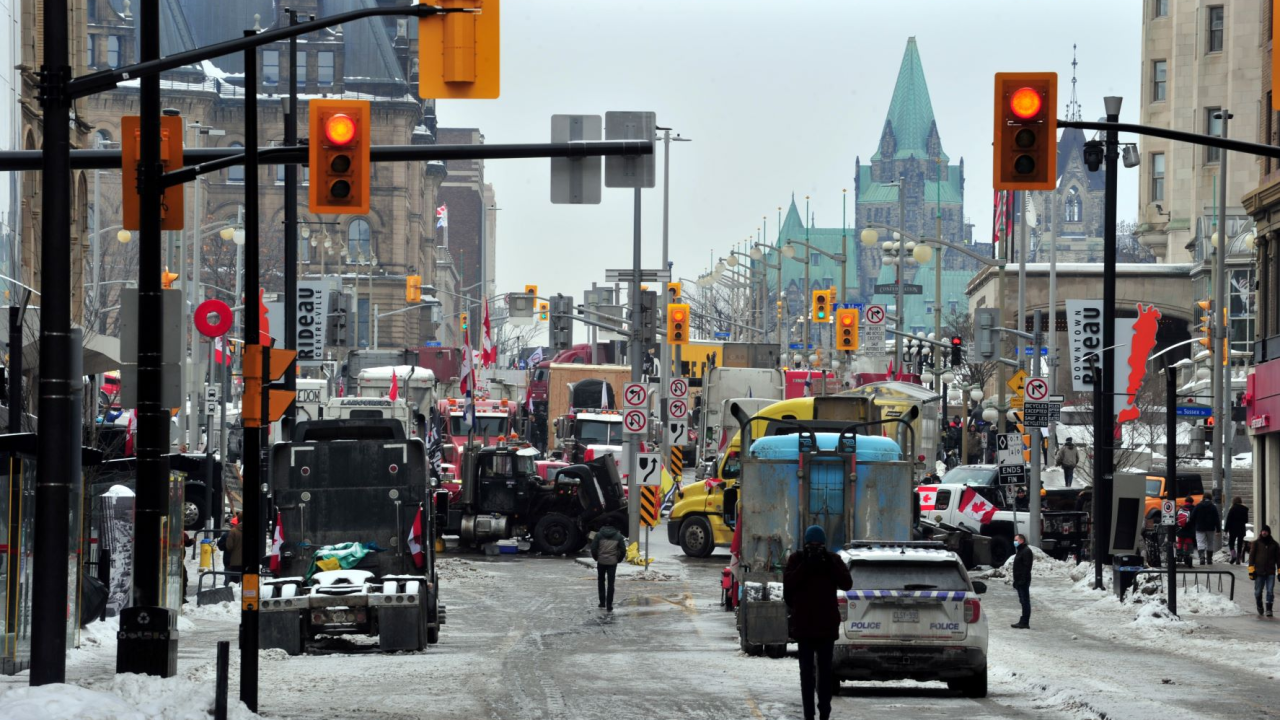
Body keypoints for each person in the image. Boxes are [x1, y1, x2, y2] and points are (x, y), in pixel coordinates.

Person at [783, 525, 853, 720]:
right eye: (811, 545)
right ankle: (809, 715)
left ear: (824, 545)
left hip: (826, 629)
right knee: (806, 675)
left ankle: (824, 714)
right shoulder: (797, 560)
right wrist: (807, 564)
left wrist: (827, 561)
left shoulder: (832, 560)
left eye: (818, 545)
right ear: (805, 545)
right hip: (805, 628)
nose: (814, 548)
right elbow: (787, 587)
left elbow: (847, 583)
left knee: (825, 675)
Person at [590, 524, 627, 612]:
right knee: (611, 584)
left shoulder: (598, 535)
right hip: (612, 562)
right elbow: (623, 550)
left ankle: (602, 602)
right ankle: (609, 605)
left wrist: (597, 558)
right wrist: (618, 559)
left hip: (601, 561)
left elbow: (593, 548)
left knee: (601, 581)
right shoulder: (618, 536)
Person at [1247, 525, 1278, 617]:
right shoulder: (1256, 543)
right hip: (1259, 572)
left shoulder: (1274, 545)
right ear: (1261, 532)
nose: (1264, 532)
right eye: (1263, 531)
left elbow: (1279, 559)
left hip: (1270, 572)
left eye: (1266, 531)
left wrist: (1279, 571)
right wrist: (1251, 570)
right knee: (1258, 592)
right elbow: (1251, 557)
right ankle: (1259, 605)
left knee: (1270, 591)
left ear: (1269, 533)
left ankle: (1269, 609)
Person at [1189, 495, 1221, 566]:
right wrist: (1218, 529)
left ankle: (1202, 558)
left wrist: (1194, 525)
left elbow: (1192, 517)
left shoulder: (1198, 506)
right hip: (1210, 528)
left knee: (1200, 542)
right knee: (1210, 542)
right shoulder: (1213, 507)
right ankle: (1209, 559)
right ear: (1210, 499)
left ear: (1203, 498)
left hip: (1200, 527)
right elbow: (1216, 519)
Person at [1011, 533, 1033, 629]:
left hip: (1023, 581)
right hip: (1019, 580)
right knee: (1022, 601)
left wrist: (1022, 580)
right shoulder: (1020, 551)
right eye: (1014, 540)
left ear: (1022, 541)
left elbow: (1027, 567)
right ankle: (1023, 620)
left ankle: (1025, 621)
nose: (1015, 542)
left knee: (1025, 601)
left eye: (1016, 540)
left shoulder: (1026, 551)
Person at [1224, 497, 1249, 565]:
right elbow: (1246, 520)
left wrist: (1226, 529)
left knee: (1231, 542)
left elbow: (1228, 520)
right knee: (1240, 544)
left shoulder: (1232, 508)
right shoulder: (1245, 509)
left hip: (1233, 528)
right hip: (1241, 528)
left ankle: (1233, 555)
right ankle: (1238, 559)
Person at [1175, 499, 1196, 568]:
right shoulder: (1193, 509)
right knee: (1188, 541)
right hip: (1189, 529)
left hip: (1180, 529)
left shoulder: (1181, 509)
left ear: (1185, 502)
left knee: (1180, 540)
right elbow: (1194, 519)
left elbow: (1176, 518)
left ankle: (1179, 553)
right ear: (1192, 502)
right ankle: (1187, 553)